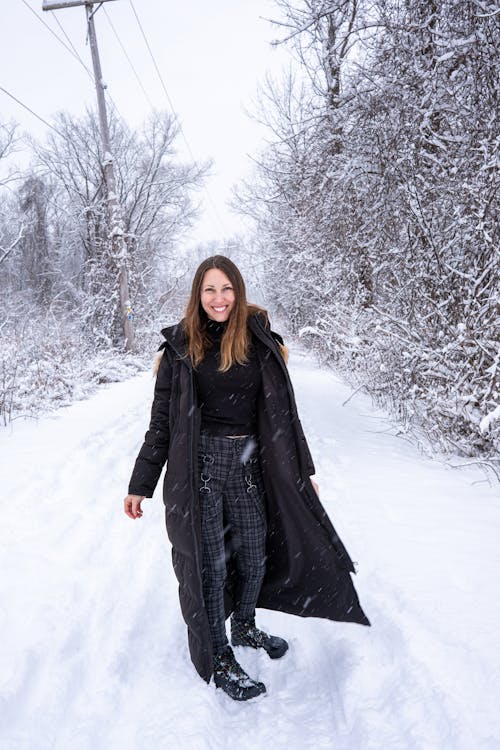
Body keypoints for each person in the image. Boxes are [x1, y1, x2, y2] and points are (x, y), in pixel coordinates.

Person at [124, 255, 370, 701]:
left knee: (256, 553)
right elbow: (161, 424)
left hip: (251, 462)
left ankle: (244, 625)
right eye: (209, 290)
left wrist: (303, 473)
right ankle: (218, 654)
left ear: (238, 292)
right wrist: (140, 483)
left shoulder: (259, 343)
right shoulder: (180, 349)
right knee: (211, 564)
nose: (219, 299)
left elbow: (286, 417)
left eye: (226, 289)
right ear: (197, 296)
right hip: (200, 467)